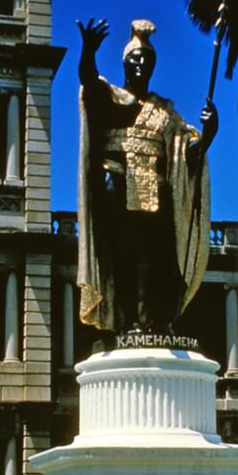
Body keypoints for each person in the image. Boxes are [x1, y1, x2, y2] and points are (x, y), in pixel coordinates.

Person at [76, 17, 218, 334]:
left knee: (159, 258)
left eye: (146, 60)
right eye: (134, 59)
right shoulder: (111, 96)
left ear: (153, 67)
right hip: (116, 184)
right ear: (124, 63)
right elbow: (87, 78)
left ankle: (157, 320)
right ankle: (130, 323)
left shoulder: (165, 111)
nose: (140, 64)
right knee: (123, 256)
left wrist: (208, 133)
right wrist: (88, 51)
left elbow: (187, 153)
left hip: (157, 190)